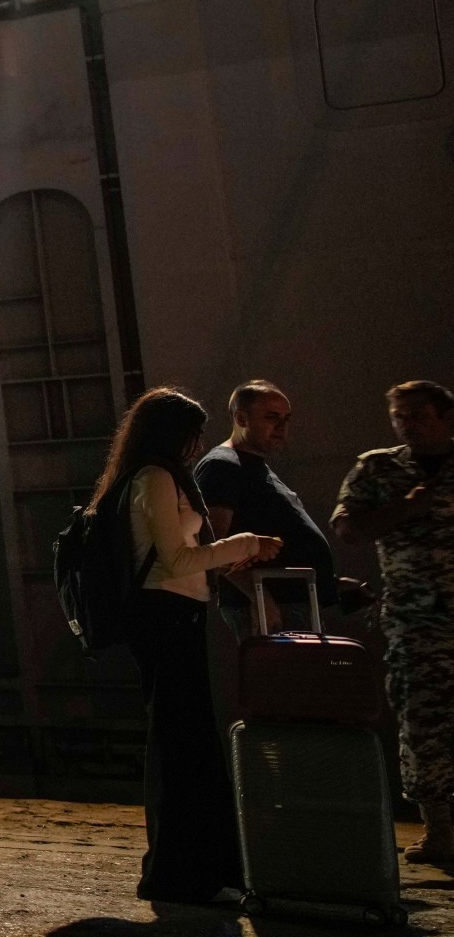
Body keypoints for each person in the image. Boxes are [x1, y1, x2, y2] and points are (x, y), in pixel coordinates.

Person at [93, 387, 281, 903]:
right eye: (192, 434)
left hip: (177, 617)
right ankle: (184, 875)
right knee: (184, 746)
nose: (198, 445)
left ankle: (194, 872)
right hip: (165, 618)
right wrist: (246, 545)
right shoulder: (153, 479)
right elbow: (175, 561)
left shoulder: (156, 476)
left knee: (186, 744)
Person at [332, 379, 454, 869]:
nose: (407, 424)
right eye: (400, 416)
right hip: (415, 622)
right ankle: (441, 832)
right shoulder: (379, 467)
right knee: (423, 722)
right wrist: (404, 509)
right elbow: (347, 529)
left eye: (418, 415)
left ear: (447, 417)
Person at [196, 380, 363, 634]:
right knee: (288, 674)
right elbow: (214, 546)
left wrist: (327, 584)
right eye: (272, 418)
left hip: (287, 600)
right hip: (270, 606)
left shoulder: (252, 465)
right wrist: (259, 596)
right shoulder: (224, 465)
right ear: (241, 418)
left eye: (286, 419)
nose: (282, 427)